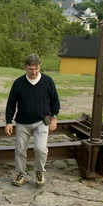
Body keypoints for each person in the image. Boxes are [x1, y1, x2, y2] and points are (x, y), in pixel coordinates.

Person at [5, 54, 60, 188]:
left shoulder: (48, 81)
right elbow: (11, 103)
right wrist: (8, 121)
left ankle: (39, 172)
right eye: (30, 69)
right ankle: (20, 174)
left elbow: (55, 101)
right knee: (20, 150)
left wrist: (54, 118)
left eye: (36, 69)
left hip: (42, 121)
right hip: (23, 122)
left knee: (41, 149)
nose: (34, 72)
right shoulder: (18, 83)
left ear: (39, 67)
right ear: (25, 68)